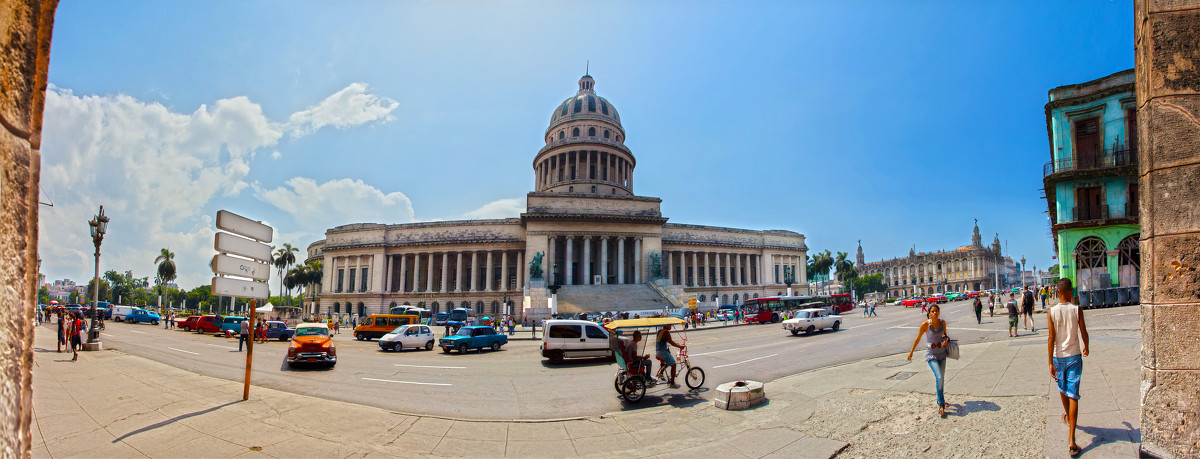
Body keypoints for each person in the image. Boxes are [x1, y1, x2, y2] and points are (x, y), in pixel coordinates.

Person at [1047, 278, 1089, 457]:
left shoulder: (1051, 312)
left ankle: (1068, 416)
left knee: (1063, 389)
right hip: (1074, 356)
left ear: (1058, 292)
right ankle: (1072, 441)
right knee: (1073, 394)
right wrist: (1086, 345)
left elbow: (1051, 338)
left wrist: (1050, 361)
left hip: (1059, 356)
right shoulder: (1076, 309)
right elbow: (1083, 331)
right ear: (1070, 292)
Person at [906, 304, 952, 416]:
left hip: (941, 353)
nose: (935, 313)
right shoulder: (925, 325)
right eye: (932, 311)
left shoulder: (943, 323)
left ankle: (940, 399)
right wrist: (911, 352)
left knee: (941, 378)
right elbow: (918, 339)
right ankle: (941, 403)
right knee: (939, 377)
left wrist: (945, 340)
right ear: (929, 313)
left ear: (939, 312)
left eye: (936, 311)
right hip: (931, 355)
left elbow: (945, 335)